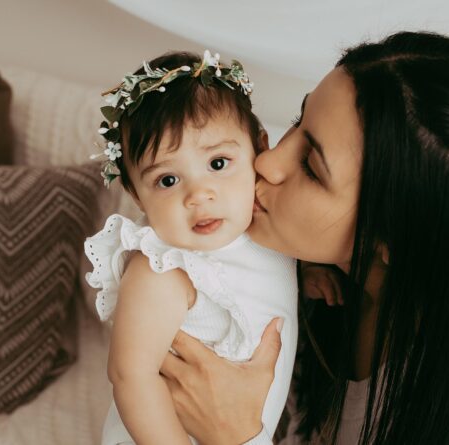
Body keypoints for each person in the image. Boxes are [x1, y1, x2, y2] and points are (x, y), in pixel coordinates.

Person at [158, 31, 449, 445]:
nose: (268, 161)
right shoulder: (319, 276)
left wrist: (235, 438)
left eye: (310, 166)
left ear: (393, 240)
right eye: (297, 122)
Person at [84, 51, 298, 445]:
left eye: (218, 163)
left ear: (259, 149)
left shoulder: (267, 226)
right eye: (167, 180)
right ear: (136, 194)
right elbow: (131, 376)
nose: (199, 195)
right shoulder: (164, 269)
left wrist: (313, 274)